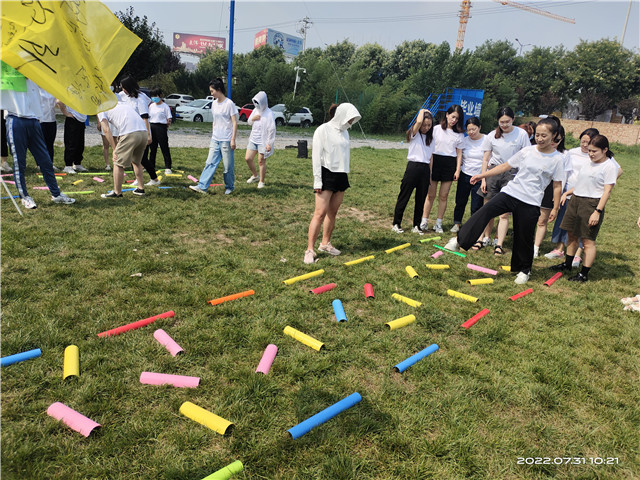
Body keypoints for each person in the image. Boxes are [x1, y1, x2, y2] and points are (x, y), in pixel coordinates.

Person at [444, 116, 565, 284]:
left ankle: (524, 270)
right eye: (537, 135)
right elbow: (505, 166)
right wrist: (482, 175)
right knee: (485, 211)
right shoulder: (527, 151)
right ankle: (459, 240)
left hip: (531, 202)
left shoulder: (558, 159)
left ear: (554, 135)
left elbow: (557, 186)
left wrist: (555, 208)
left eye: (544, 135)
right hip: (511, 192)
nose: (539, 138)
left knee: (525, 236)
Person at [549, 135, 617, 282]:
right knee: (571, 234)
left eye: (595, 151)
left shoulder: (609, 166)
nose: (591, 154)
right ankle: (567, 264)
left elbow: (607, 191)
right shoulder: (589, 163)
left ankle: (584, 274)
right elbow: (581, 183)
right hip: (576, 200)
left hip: (591, 204)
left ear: (605, 150)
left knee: (587, 241)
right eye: (590, 151)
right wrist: (567, 193)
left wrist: (597, 212)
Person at [0, 78, 75, 208]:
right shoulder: (8, 73)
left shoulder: (34, 74)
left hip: (34, 121)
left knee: (45, 161)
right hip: (16, 119)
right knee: (19, 163)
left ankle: (56, 194)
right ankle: (25, 197)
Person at [304, 103, 361, 264]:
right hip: (326, 174)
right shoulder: (323, 130)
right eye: (349, 119)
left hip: (341, 175)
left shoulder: (345, 133)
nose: (351, 122)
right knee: (319, 213)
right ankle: (309, 249)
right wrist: (317, 180)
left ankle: (325, 244)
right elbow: (316, 157)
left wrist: (345, 173)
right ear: (341, 115)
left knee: (332, 213)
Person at [474, 106, 530, 254]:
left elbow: (526, 158)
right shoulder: (492, 135)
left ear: (513, 120)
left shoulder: (522, 134)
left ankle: (499, 244)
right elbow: (485, 159)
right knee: (487, 209)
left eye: (507, 121)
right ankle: (481, 239)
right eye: (501, 122)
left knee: (504, 213)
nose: (504, 125)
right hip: (493, 171)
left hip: (512, 174)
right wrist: (484, 178)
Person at [420, 104, 464, 233]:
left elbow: (459, 153)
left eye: (457, 118)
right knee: (430, 195)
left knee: (443, 196)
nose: (454, 120)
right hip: (435, 161)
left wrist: (457, 170)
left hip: (449, 164)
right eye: (452, 116)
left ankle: (438, 223)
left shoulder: (459, 135)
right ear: (447, 115)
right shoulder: (436, 129)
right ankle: (424, 221)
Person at [189, 78, 238, 195]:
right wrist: (213, 134)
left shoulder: (229, 104)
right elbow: (214, 121)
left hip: (226, 140)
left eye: (212, 91)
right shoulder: (214, 103)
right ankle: (202, 186)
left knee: (228, 167)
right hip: (215, 139)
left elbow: (234, 122)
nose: (211, 94)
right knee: (210, 163)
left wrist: (233, 139)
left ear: (219, 89)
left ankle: (230, 187)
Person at [392, 109, 434, 234]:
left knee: (420, 199)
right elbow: (419, 120)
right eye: (424, 125)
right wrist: (423, 110)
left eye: (429, 125)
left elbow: (431, 157)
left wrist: (430, 175)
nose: (426, 127)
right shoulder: (413, 134)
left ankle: (416, 225)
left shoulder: (431, 138)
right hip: (413, 168)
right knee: (404, 196)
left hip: (425, 169)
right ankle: (396, 223)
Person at [533, 124, 570, 257]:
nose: (554, 143)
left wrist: (557, 196)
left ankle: (535, 247)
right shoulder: (535, 150)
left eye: (557, 140)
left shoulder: (564, 155)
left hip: (551, 189)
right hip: (535, 187)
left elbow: (562, 178)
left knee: (542, 220)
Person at [97, 100, 148, 198]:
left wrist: (114, 149)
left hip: (130, 133)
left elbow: (106, 129)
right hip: (143, 132)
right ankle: (141, 188)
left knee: (118, 163)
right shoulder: (121, 103)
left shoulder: (101, 108)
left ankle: (117, 192)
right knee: (136, 162)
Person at [118, 76, 156, 186]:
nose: (122, 89)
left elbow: (145, 117)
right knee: (136, 158)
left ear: (129, 87)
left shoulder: (140, 98)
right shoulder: (122, 96)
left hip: (142, 130)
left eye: (123, 87)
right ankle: (145, 179)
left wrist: (148, 135)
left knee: (141, 158)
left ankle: (153, 179)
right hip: (131, 130)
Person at [451, 117, 485, 231]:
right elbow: (459, 156)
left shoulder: (486, 140)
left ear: (479, 127)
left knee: (476, 205)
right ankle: (456, 223)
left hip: (479, 177)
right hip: (465, 174)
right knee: (460, 201)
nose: (471, 132)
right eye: (469, 130)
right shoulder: (464, 141)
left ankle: (472, 227)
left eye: (474, 129)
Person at [245, 91, 276, 189]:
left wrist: (269, 143)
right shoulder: (255, 110)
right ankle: (255, 176)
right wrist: (253, 118)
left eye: (258, 103)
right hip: (253, 139)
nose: (257, 105)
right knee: (248, 158)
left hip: (263, 141)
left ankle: (261, 181)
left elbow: (272, 129)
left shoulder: (269, 113)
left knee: (261, 161)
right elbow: (249, 122)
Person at [147, 87, 173, 176]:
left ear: (160, 95)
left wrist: (167, 125)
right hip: (152, 126)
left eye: (156, 95)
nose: (154, 98)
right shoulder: (151, 105)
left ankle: (168, 167)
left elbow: (169, 118)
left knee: (164, 148)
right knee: (152, 148)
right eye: (152, 96)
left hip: (161, 127)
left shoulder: (165, 106)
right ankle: (151, 166)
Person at [57, 101, 87, 174]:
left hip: (81, 119)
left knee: (80, 143)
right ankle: (68, 165)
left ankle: (77, 163)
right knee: (71, 143)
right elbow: (59, 101)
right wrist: (66, 113)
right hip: (73, 119)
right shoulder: (70, 90)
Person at [39, 90, 59, 171]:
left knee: (50, 143)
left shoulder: (52, 90)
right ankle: (40, 164)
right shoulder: (37, 90)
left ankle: (50, 163)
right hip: (41, 120)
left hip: (52, 120)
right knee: (41, 144)